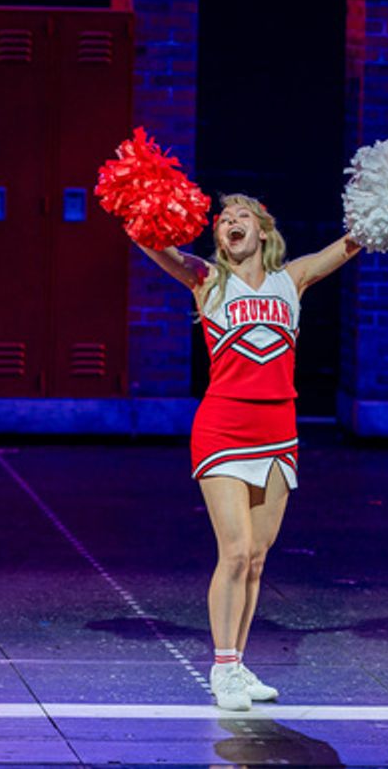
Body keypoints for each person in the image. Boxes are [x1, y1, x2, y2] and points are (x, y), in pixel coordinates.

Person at [134, 194, 362, 711]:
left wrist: (380, 213)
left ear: (263, 231)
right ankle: (221, 668)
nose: (229, 224)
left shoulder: (293, 279)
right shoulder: (206, 280)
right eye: (222, 221)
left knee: (256, 559)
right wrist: (140, 210)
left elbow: (350, 246)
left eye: (241, 218)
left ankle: (237, 663)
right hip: (222, 428)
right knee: (234, 551)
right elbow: (155, 246)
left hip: (279, 431)